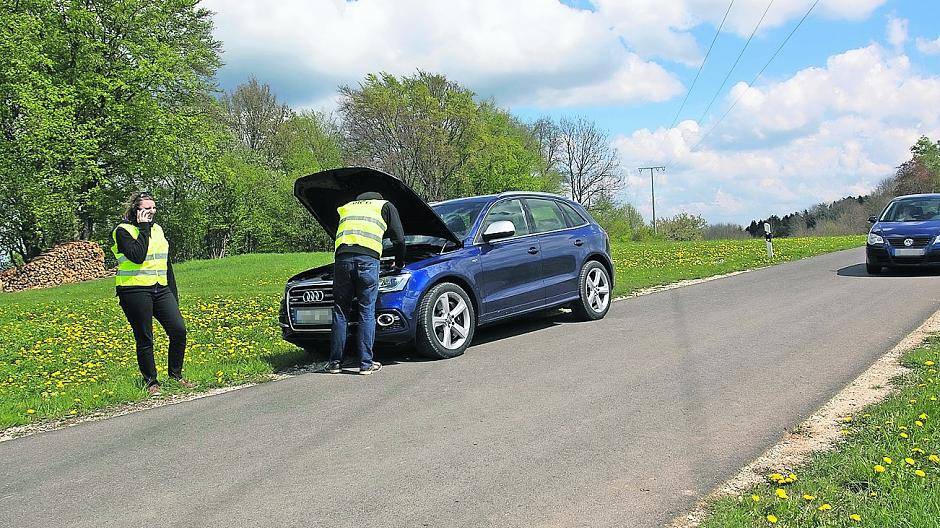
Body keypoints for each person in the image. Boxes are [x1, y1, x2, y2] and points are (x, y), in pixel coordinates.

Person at [111, 191, 193, 396]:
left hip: (160, 288)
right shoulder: (123, 231)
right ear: (136, 210)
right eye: (147, 209)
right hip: (134, 290)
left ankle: (176, 375)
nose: (152, 212)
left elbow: (165, 263)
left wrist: (173, 294)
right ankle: (151, 381)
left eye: (153, 208)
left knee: (178, 330)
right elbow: (137, 257)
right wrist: (143, 228)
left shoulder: (158, 229)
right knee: (145, 337)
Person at [326, 192, 405, 375]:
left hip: (342, 260)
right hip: (368, 261)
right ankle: (366, 364)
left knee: (340, 311)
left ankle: (334, 364)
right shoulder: (384, 205)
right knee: (366, 311)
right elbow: (399, 239)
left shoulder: (347, 207)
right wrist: (399, 262)